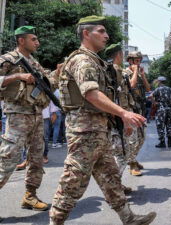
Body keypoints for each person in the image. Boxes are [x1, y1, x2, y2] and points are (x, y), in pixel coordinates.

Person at [49, 16, 156, 225]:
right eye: (101, 31)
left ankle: (129, 218)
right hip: (84, 131)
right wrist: (124, 113)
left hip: (98, 130)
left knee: (111, 177)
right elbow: (91, 94)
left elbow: (107, 97)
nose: (106, 35)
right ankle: (55, 222)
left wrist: (119, 116)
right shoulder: (82, 60)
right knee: (73, 180)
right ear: (86, 34)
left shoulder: (95, 61)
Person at [0, 25, 60, 211]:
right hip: (18, 115)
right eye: (33, 39)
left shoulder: (34, 62)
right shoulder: (8, 59)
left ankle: (30, 196)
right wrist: (18, 76)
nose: (38, 42)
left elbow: (48, 81)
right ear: (21, 40)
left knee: (36, 159)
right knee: (9, 157)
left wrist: (58, 72)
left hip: (36, 115)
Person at [104, 42, 136, 194]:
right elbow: (117, 99)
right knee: (122, 155)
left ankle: (116, 185)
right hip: (116, 121)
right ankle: (113, 188)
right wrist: (125, 121)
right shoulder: (116, 73)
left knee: (117, 154)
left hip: (111, 120)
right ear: (119, 55)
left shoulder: (107, 71)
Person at [123, 50, 151, 176]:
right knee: (133, 139)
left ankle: (133, 159)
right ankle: (132, 164)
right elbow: (132, 86)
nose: (139, 62)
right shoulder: (125, 73)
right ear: (130, 61)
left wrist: (143, 75)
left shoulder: (139, 73)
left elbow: (148, 88)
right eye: (136, 60)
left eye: (140, 60)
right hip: (130, 109)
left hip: (140, 109)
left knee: (142, 138)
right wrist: (134, 71)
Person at [152, 76, 171, 148]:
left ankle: (162, 142)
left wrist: (154, 102)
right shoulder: (170, 89)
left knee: (160, 126)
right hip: (169, 109)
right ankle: (170, 142)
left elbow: (151, 96)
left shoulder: (157, 89)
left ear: (159, 81)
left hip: (161, 110)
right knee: (169, 125)